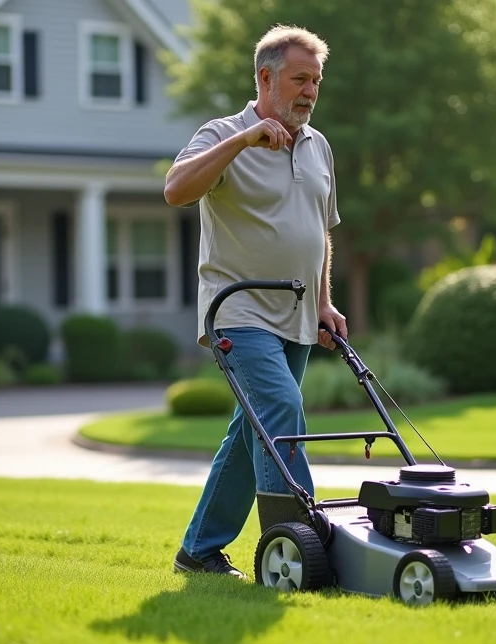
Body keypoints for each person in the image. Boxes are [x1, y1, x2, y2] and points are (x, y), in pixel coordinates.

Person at [163, 25, 347, 578]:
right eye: (300, 79)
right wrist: (243, 142)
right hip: (237, 313)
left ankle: (198, 552)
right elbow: (175, 190)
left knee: (253, 433)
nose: (310, 90)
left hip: (296, 316)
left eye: (316, 80)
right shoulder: (223, 134)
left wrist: (324, 301)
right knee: (281, 414)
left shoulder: (319, 147)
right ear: (266, 78)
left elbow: (319, 230)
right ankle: (299, 545)